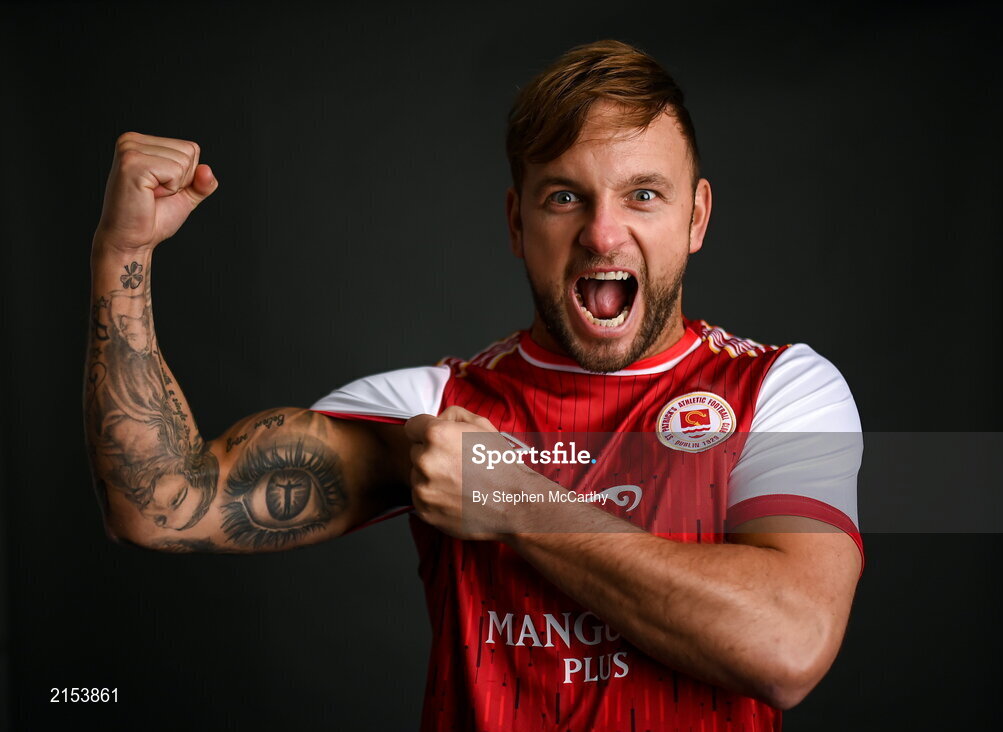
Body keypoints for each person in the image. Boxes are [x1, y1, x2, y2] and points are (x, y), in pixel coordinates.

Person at [84, 40, 862, 731]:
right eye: (564, 196)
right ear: (516, 223)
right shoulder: (434, 412)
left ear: (695, 218)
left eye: (642, 195)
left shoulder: (779, 389)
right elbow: (158, 506)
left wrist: (516, 500)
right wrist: (123, 252)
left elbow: (787, 646)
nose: (600, 231)